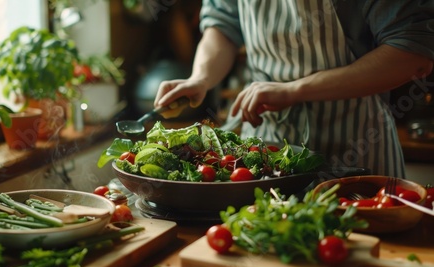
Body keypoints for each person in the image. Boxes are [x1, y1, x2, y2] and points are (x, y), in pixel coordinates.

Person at [153, 0, 434, 177]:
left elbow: (411, 54)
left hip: (358, 141)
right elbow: (223, 26)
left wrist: (294, 90)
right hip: (265, 147)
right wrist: (201, 78)